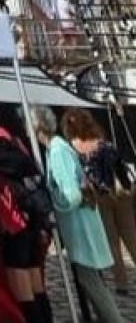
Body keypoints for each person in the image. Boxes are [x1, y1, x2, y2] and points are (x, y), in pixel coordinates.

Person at [30, 106, 124, 323]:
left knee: (91, 282)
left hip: (80, 228)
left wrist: (53, 204)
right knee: (93, 281)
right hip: (82, 226)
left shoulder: (57, 151)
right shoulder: (58, 147)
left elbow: (71, 196)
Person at [0, 103, 50, 323]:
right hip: (32, 217)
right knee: (35, 282)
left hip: (12, 220)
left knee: (21, 283)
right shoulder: (14, 140)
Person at [62, 107, 136, 295]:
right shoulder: (104, 144)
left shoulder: (74, 149)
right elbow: (120, 168)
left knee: (112, 242)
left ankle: (122, 284)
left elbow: (88, 177)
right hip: (121, 195)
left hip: (101, 197)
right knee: (131, 237)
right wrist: (126, 186)